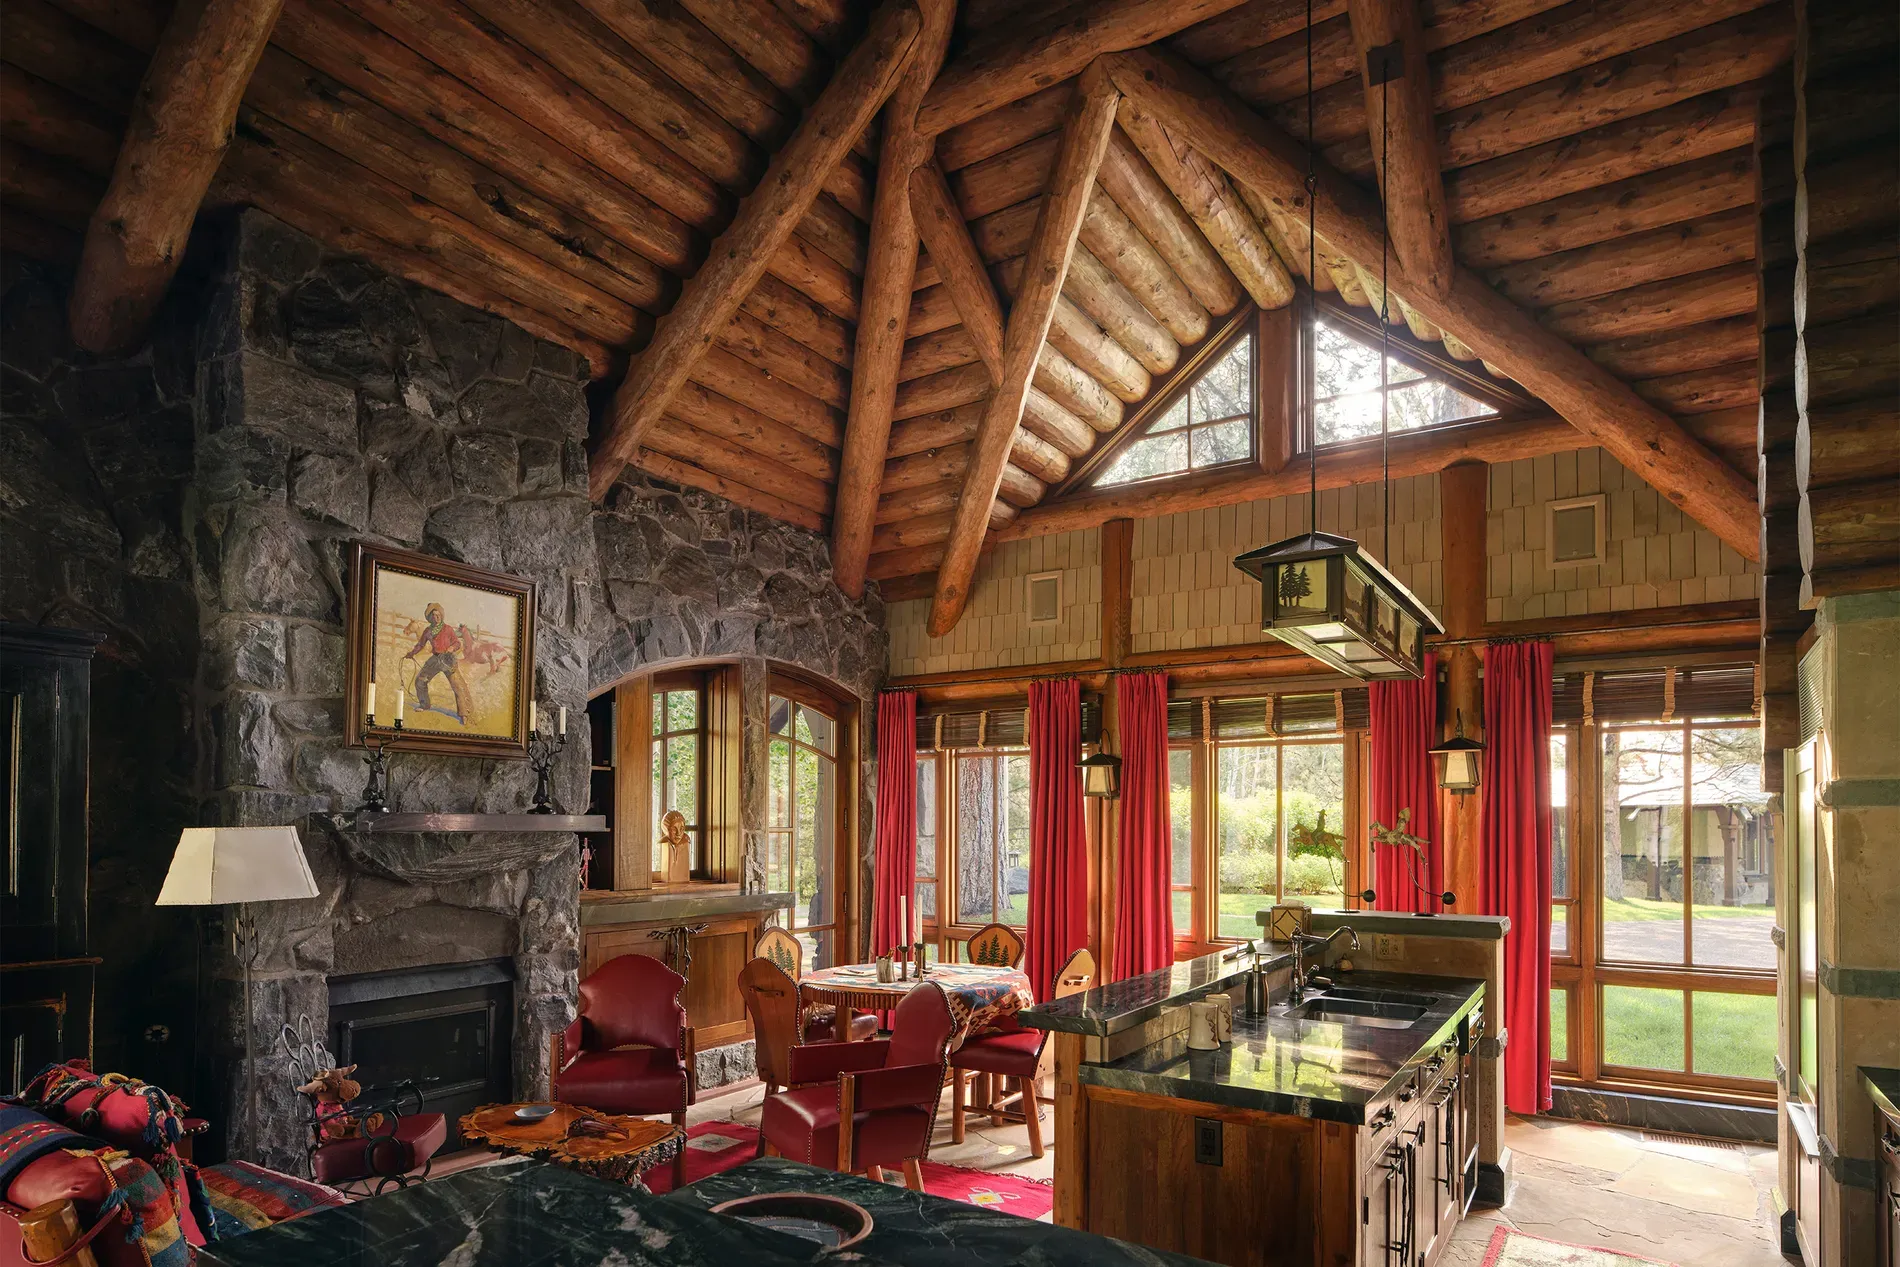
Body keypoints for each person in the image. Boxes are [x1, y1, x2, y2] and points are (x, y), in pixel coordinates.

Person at [404, 602, 474, 723]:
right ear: (430, 617)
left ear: (441, 616)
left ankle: (464, 713)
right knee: (420, 681)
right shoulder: (428, 631)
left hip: (448, 659)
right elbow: (421, 644)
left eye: (438, 615)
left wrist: (451, 648)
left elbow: (457, 643)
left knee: (457, 685)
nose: (436, 618)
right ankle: (424, 704)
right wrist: (412, 653)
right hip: (435, 659)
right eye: (433, 615)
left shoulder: (447, 629)